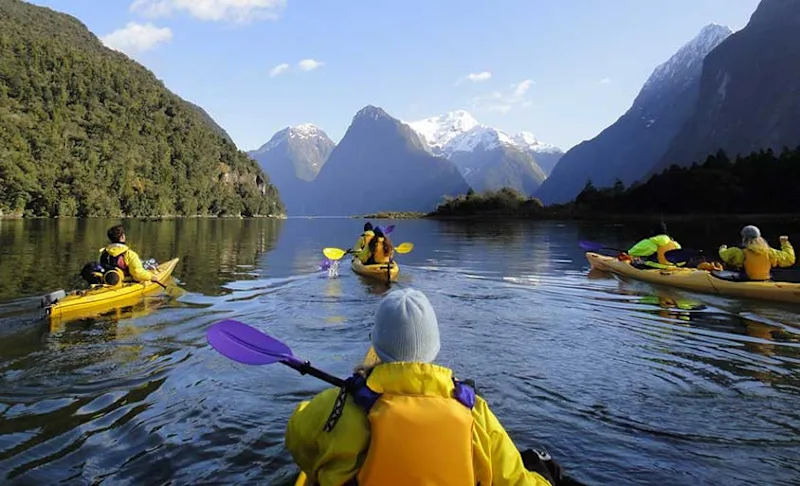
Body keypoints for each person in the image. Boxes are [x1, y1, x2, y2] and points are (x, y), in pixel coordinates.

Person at [285, 288, 560, 486]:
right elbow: (516, 481)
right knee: (539, 462)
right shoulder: (474, 411)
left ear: (376, 345)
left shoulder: (338, 404)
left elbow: (297, 440)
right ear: (435, 347)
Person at [718, 225, 795, 281]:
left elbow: (725, 256)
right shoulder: (770, 252)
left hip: (745, 281)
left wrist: (722, 249)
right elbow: (789, 259)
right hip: (766, 281)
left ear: (744, 238)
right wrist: (785, 243)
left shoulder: (739, 252)